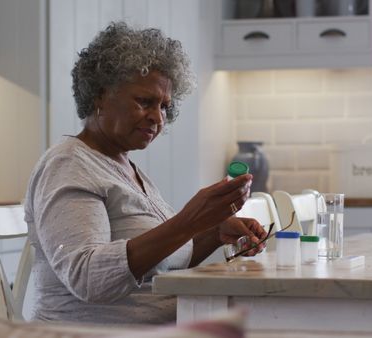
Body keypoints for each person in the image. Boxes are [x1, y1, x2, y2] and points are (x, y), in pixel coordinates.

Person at [23, 21, 265, 325]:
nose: (158, 118)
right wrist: (188, 221)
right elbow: (86, 277)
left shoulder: (124, 167)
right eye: (144, 101)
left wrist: (213, 232)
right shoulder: (69, 165)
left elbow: (161, 262)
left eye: (164, 106)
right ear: (100, 94)